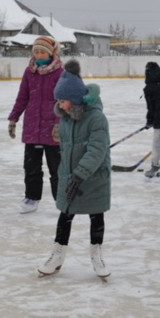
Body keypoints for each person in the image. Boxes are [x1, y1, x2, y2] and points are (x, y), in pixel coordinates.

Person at [38, 60, 111, 279]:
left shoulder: (97, 118)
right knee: (65, 215)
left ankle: (97, 255)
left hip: (93, 177)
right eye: (58, 100)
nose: (60, 105)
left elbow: (96, 151)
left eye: (63, 100)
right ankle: (57, 255)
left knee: (96, 216)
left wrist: (80, 174)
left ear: (76, 99)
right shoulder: (67, 118)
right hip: (70, 176)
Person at [7, 36, 64, 214]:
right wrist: (13, 118)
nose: (39, 55)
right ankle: (31, 198)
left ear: (51, 52)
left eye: (42, 52)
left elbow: (64, 101)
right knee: (31, 166)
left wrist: (59, 124)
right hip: (32, 127)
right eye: (36, 52)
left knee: (57, 168)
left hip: (53, 128)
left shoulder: (60, 73)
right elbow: (22, 97)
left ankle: (62, 199)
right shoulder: (29, 72)